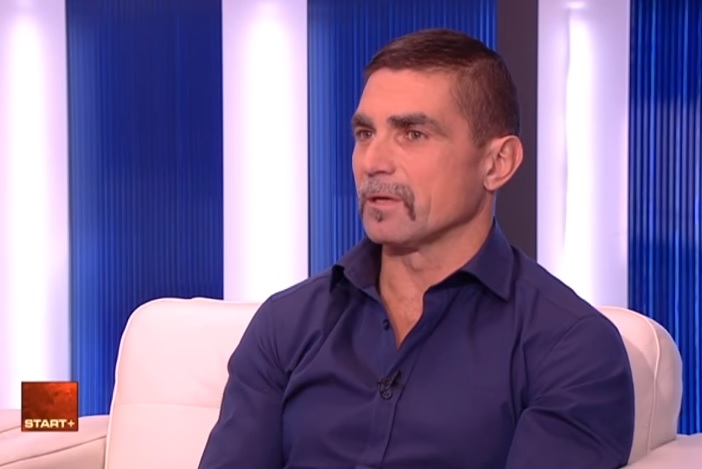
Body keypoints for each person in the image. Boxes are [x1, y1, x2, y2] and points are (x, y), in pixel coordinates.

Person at [198, 28, 635, 469]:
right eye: (365, 133)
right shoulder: (286, 324)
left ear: (497, 163)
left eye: (412, 134)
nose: (373, 162)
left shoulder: (570, 349)